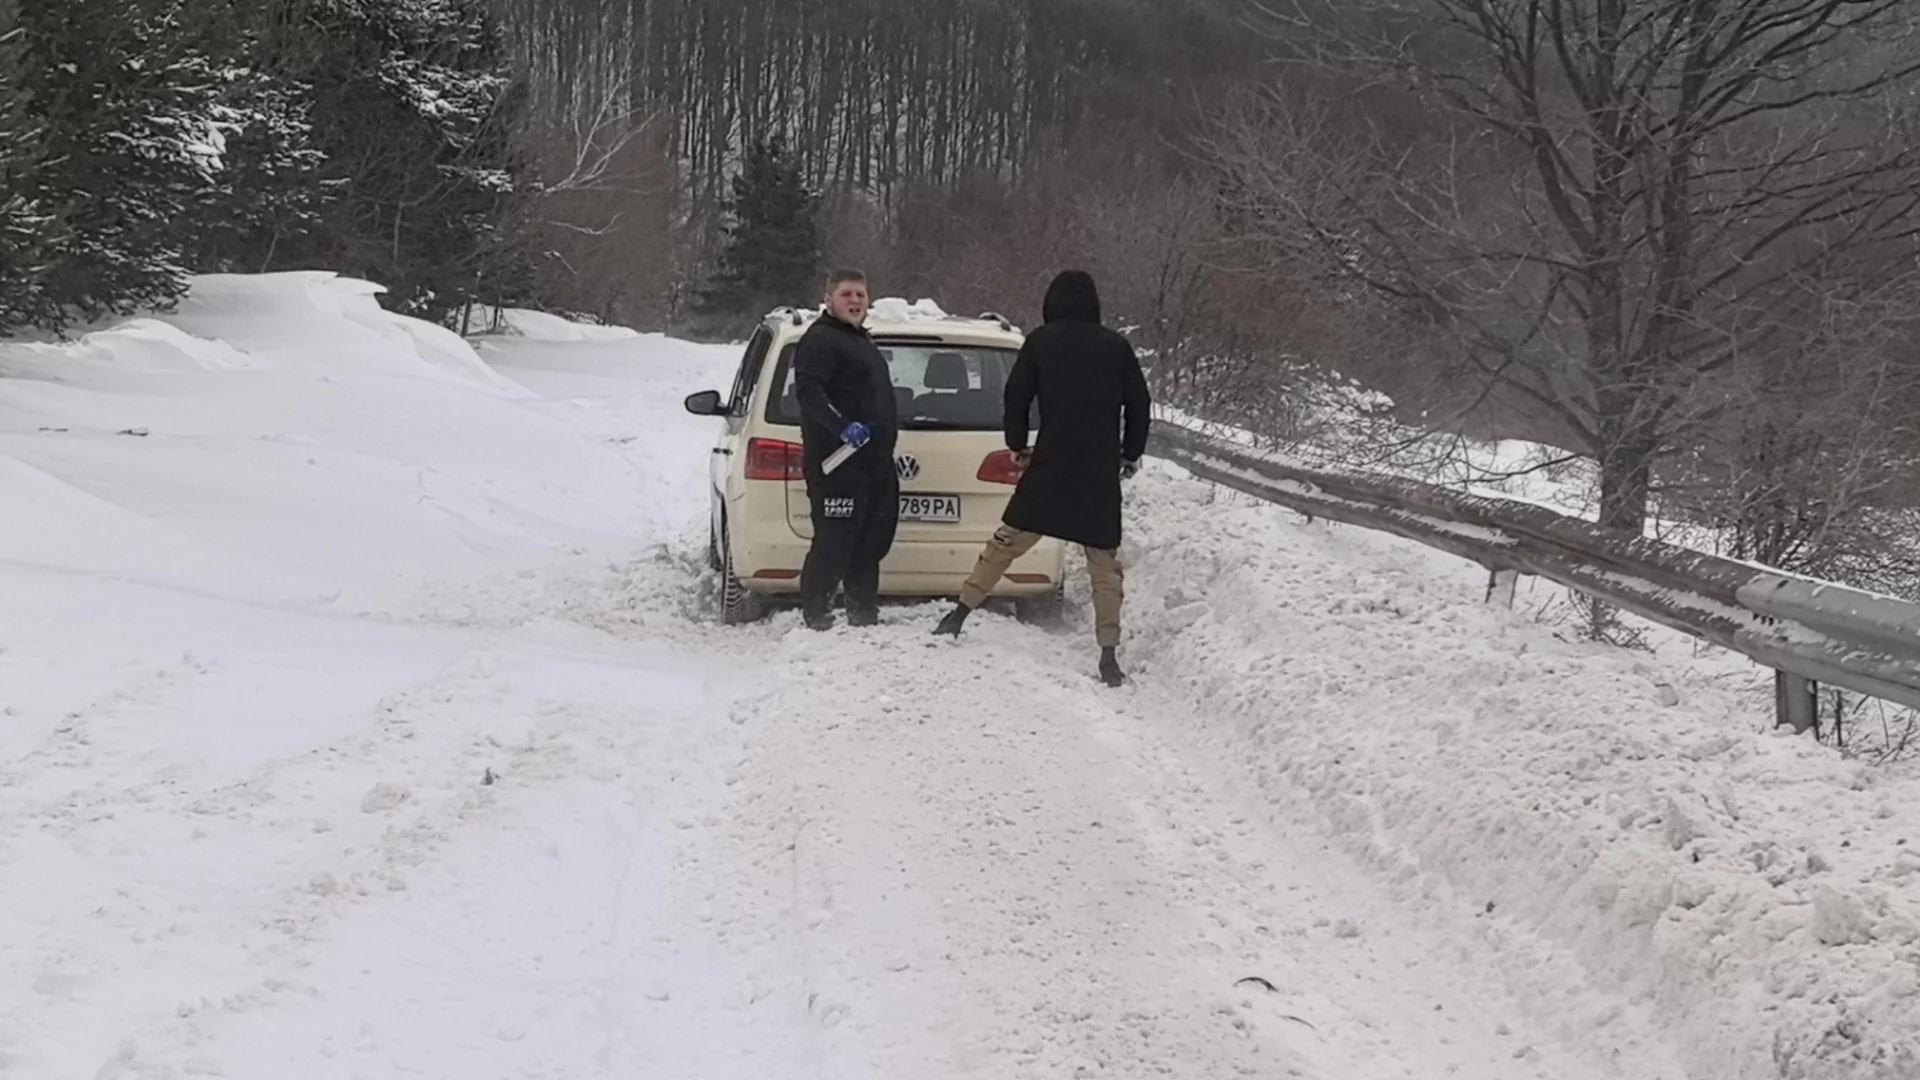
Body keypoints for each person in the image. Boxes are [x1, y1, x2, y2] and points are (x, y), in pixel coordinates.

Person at [932, 269, 1151, 686]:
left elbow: (1015, 396)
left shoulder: (1040, 342)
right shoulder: (1116, 347)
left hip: (1050, 463)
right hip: (1098, 472)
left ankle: (959, 613)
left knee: (1006, 542)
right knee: (1104, 566)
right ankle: (1108, 656)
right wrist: (1130, 453)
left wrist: (1016, 442)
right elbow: (1139, 404)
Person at [792, 268, 899, 630]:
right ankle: (816, 615)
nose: (855, 301)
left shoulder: (860, 341)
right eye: (847, 294)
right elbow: (808, 391)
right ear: (829, 300)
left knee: (871, 543)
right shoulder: (821, 340)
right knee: (835, 543)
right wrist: (841, 427)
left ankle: (862, 612)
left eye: (861, 295)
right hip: (839, 464)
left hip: (876, 463)